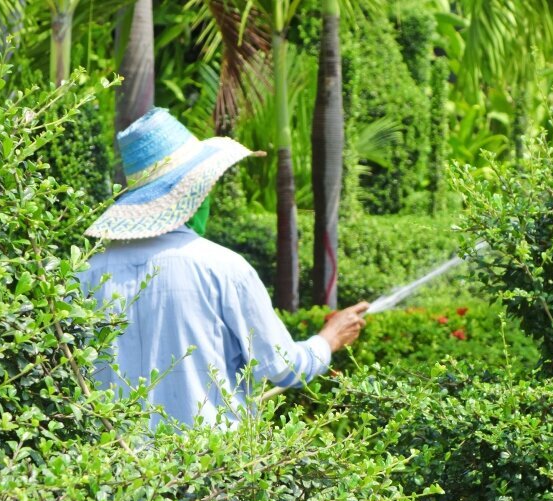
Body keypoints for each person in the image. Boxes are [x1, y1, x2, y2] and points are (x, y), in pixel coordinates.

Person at [78, 108, 368, 428]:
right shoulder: (223, 269)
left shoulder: (85, 273)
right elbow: (284, 368)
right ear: (195, 192)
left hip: (113, 468)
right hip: (210, 469)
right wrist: (329, 338)